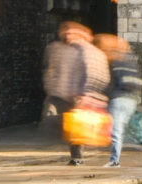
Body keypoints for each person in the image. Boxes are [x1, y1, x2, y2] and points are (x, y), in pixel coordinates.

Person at [41, 22, 109, 166]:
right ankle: (67, 141)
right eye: (65, 32)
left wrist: (87, 94)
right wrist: (50, 85)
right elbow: (50, 70)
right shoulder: (55, 48)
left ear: (81, 34)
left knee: (76, 127)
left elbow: (95, 74)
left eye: (71, 33)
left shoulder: (90, 52)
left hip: (78, 95)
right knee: (51, 118)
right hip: (58, 93)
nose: (67, 35)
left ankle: (77, 157)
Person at [96, 34, 142, 168]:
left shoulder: (117, 62)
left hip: (118, 99)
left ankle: (114, 160)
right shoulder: (132, 61)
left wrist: (105, 94)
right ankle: (129, 143)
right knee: (119, 128)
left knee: (115, 130)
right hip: (130, 99)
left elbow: (112, 82)